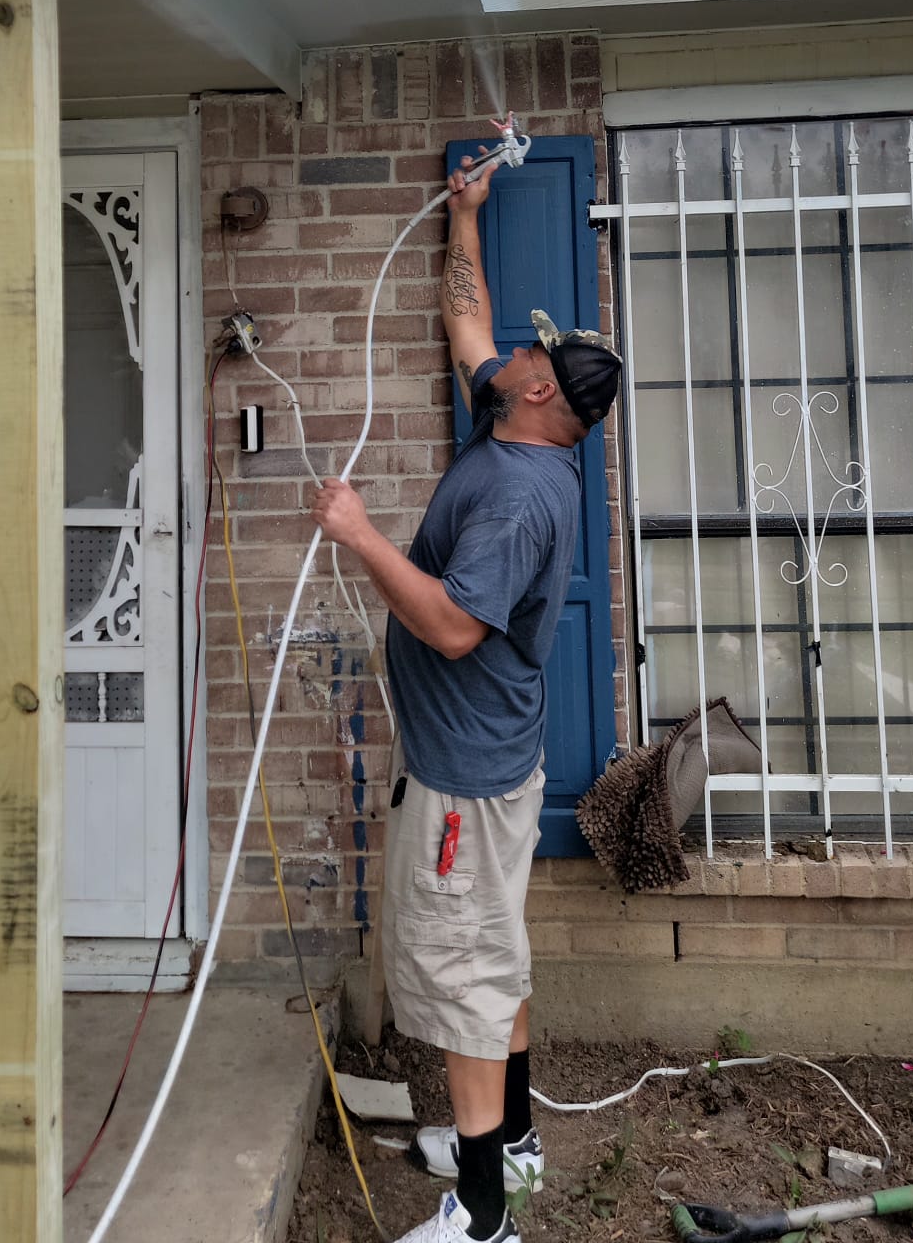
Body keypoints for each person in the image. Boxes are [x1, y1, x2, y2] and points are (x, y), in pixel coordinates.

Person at [311, 152, 622, 1243]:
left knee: (463, 981)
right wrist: (466, 215)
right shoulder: (520, 414)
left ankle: (485, 1215)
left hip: (466, 784)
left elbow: (448, 625)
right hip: (487, 762)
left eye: (534, 352)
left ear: (543, 389)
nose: (517, 354)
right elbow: (469, 325)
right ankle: (519, 1144)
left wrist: (357, 539)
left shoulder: (517, 502)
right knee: (495, 956)